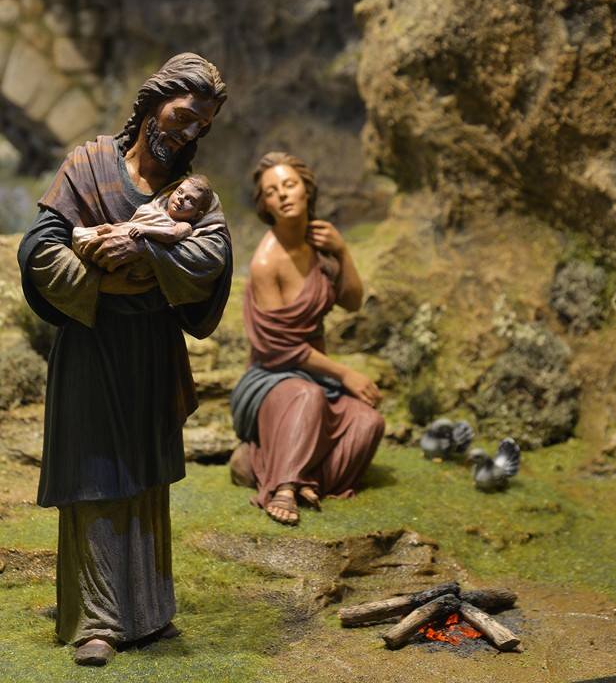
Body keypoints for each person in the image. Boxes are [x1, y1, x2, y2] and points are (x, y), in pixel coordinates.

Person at [17, 53, 232, 667]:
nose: (188, 134)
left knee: (143, 477)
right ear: (152, 104)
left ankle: (147, 609)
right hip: (92, 345)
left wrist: (148, 260)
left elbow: (212, 256)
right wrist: (105, 283)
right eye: (182, 116)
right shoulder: (88, 164)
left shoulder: (192, 192)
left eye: (201, 126)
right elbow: (40, 249)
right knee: (96, 475)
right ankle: (97, 620)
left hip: (151, 350)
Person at [230, 151, 384, 526]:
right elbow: (279, 348)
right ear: (265, 205)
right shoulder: (266, 261)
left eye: (289, 185)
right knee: (306, 396)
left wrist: (342, 251)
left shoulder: (320, 244)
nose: (282, 195)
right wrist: (345, 374)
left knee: (368, 422)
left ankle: (295, 475)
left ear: (306, 190)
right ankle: (283, 486)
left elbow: (352, 301)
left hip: (316, 375)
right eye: (271, 191)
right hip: (272, 377)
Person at [72, 175, 214, 284]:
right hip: (124, 236)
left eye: (190, 200)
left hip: (137, 260)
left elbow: (172, 235)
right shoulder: (157, 208)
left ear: (197, 215)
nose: (181, 198)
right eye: (179, 192)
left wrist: (145, 230)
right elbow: (134, 223)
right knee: (83, 235)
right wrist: (117, 228)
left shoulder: (184, 226)